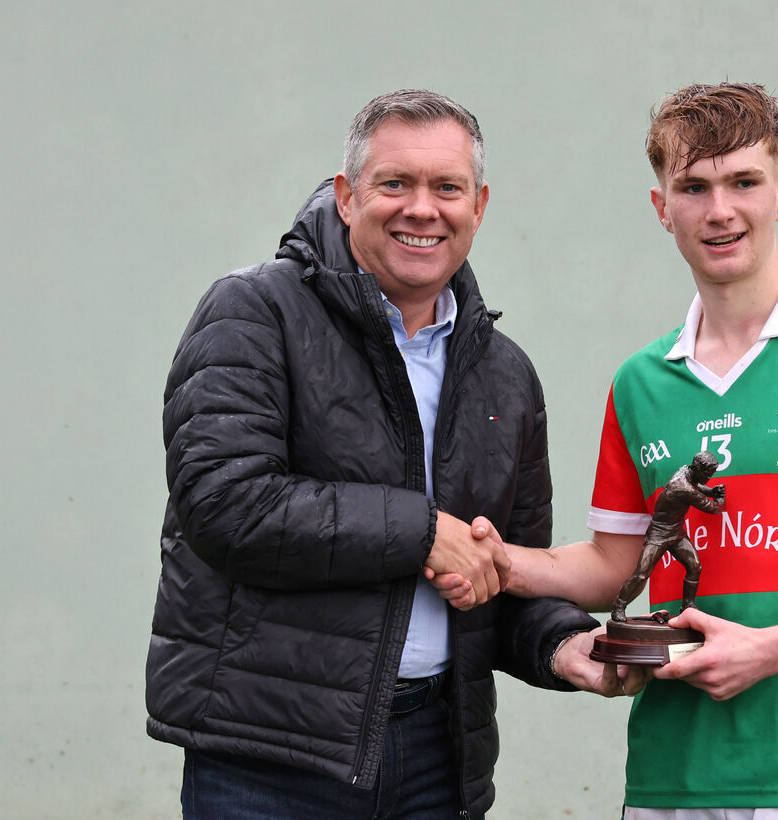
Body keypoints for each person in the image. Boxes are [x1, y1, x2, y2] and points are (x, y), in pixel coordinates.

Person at [440, 82, 778, 819]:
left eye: (743, 182)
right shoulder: (640, 383)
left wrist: (771, 649)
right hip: (670, 779)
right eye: (694, 187)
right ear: (663, 208)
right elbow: (616, 567)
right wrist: (500, 559)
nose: (720, 210)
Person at [144, 88, 631, 820]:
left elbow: (503, 566)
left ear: (479, 205)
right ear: (346, 197)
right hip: (269, 758)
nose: (421, 209)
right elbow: (224, 503)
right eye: (394, 184)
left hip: (438, 758)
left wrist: (564, 645)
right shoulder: (253, 312)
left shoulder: (505, 372)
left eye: (447, 188)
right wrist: (423, 530)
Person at [609, 451, 724, 622]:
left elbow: (695, 485)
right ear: (697, 469)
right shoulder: (682, 488)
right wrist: (720, 500)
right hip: (658, 535)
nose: (709, 478)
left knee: (695, 566)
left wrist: (710, 491)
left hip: (676, 532)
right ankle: (618, 607)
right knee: (641, 574)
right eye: (708, 474)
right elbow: (712, 508)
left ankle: (688, 605)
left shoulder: (686, 470)